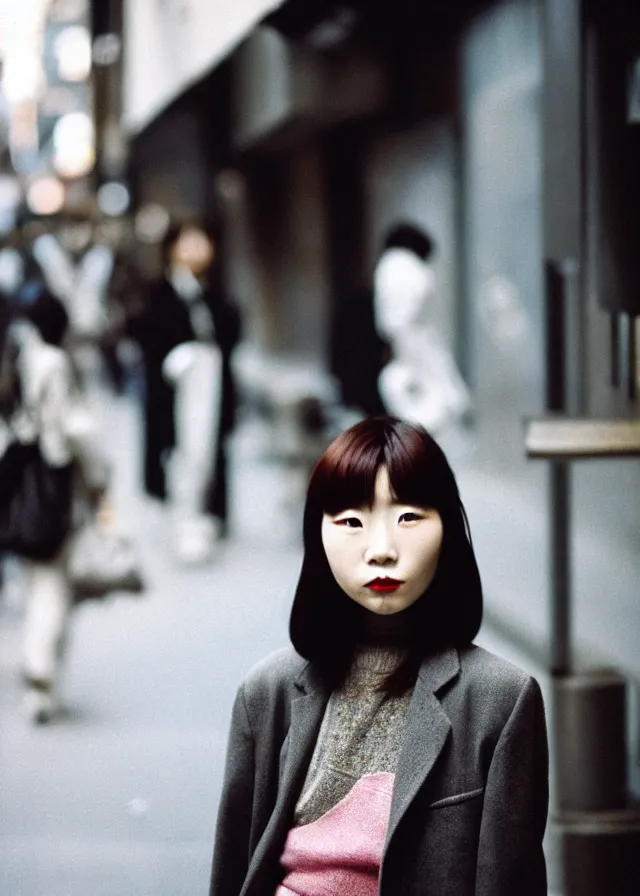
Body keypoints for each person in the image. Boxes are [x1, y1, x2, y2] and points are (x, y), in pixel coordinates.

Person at [209, 416, 548, 896]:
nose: (382, 550)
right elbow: (231, 873)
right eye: (351, 521)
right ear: (318, 534)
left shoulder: (501, 700)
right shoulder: (266, 692)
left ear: (448, 529)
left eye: (408, 516)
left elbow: (509, 882)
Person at [0, 288, 109, 723]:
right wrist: (99, 480)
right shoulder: (52, 362)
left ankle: (41, 678)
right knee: (53, 585)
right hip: (52, 489)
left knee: (36, 581)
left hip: (17, 485)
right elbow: (65, 435)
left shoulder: (15, 358)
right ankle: (42, 673)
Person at [128, 220, 240, 563]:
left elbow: (229, 333)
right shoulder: (159, 293)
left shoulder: (213, 292)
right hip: (174, 393)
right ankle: (185, 522)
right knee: (180, 455)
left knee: (209, 453)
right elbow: (148, 336)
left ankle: (207, 516)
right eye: (188, 244)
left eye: (202, 243)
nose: (196, 251)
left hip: (211, 388)